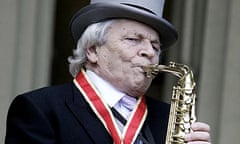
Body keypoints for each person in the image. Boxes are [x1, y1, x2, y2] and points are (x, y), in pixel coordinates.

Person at [5, 0, 211, 144]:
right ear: (93, 50)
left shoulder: (167, 118)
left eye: (156, 47)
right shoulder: (40, 109)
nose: (149, 52)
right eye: (133, 39)